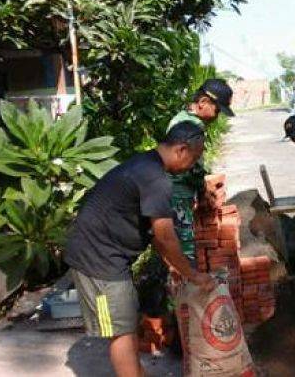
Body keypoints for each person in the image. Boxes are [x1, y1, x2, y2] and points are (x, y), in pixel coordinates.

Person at [64, 122, 216, 377]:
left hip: (106, 256)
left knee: (125, 322)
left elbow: (155, 234)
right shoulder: (156, 179)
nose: (193, 164)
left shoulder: (146, 164)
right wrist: (192, 274)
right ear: (181, 150)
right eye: (195, 157)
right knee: (119, 331)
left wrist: (173, 264)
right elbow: (166, 237)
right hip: (97, 262)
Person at [167, 78, 235, 263]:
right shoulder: (189, 126)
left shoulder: (183, 120)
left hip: (179, 194)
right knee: (186, 251)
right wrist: (204, 188)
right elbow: (189, 165)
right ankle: (189, 289)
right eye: (217, 109)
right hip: (178, 196)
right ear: (203, 102)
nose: (217, 115)